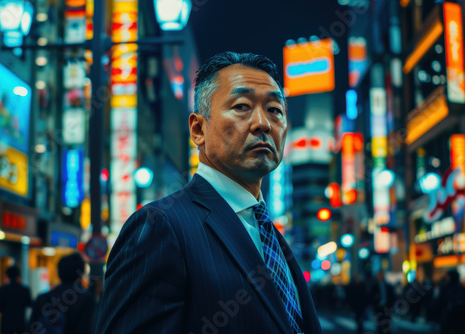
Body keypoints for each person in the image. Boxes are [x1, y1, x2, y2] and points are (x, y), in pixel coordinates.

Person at [96, 52, 322, 333]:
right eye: (242, 106)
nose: (263, 123)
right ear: (198, 128)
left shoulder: (269, 234)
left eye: (275, 110)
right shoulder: (160, 225)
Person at [29, 252, 95, 334]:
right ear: (81, 274)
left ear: (59, 273)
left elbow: (31, 328)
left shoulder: (42, 298)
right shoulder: (86, 298)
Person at [0, 265, 32, 334]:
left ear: (8, 275)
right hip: (20, 323)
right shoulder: (24, 290)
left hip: (6, 323)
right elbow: (29, 303)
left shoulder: (3, 290)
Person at [438, 270, 465, 334]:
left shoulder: (445, 288)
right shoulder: (461, 289)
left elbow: (440, 303)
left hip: (448, 318)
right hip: (458, 319)